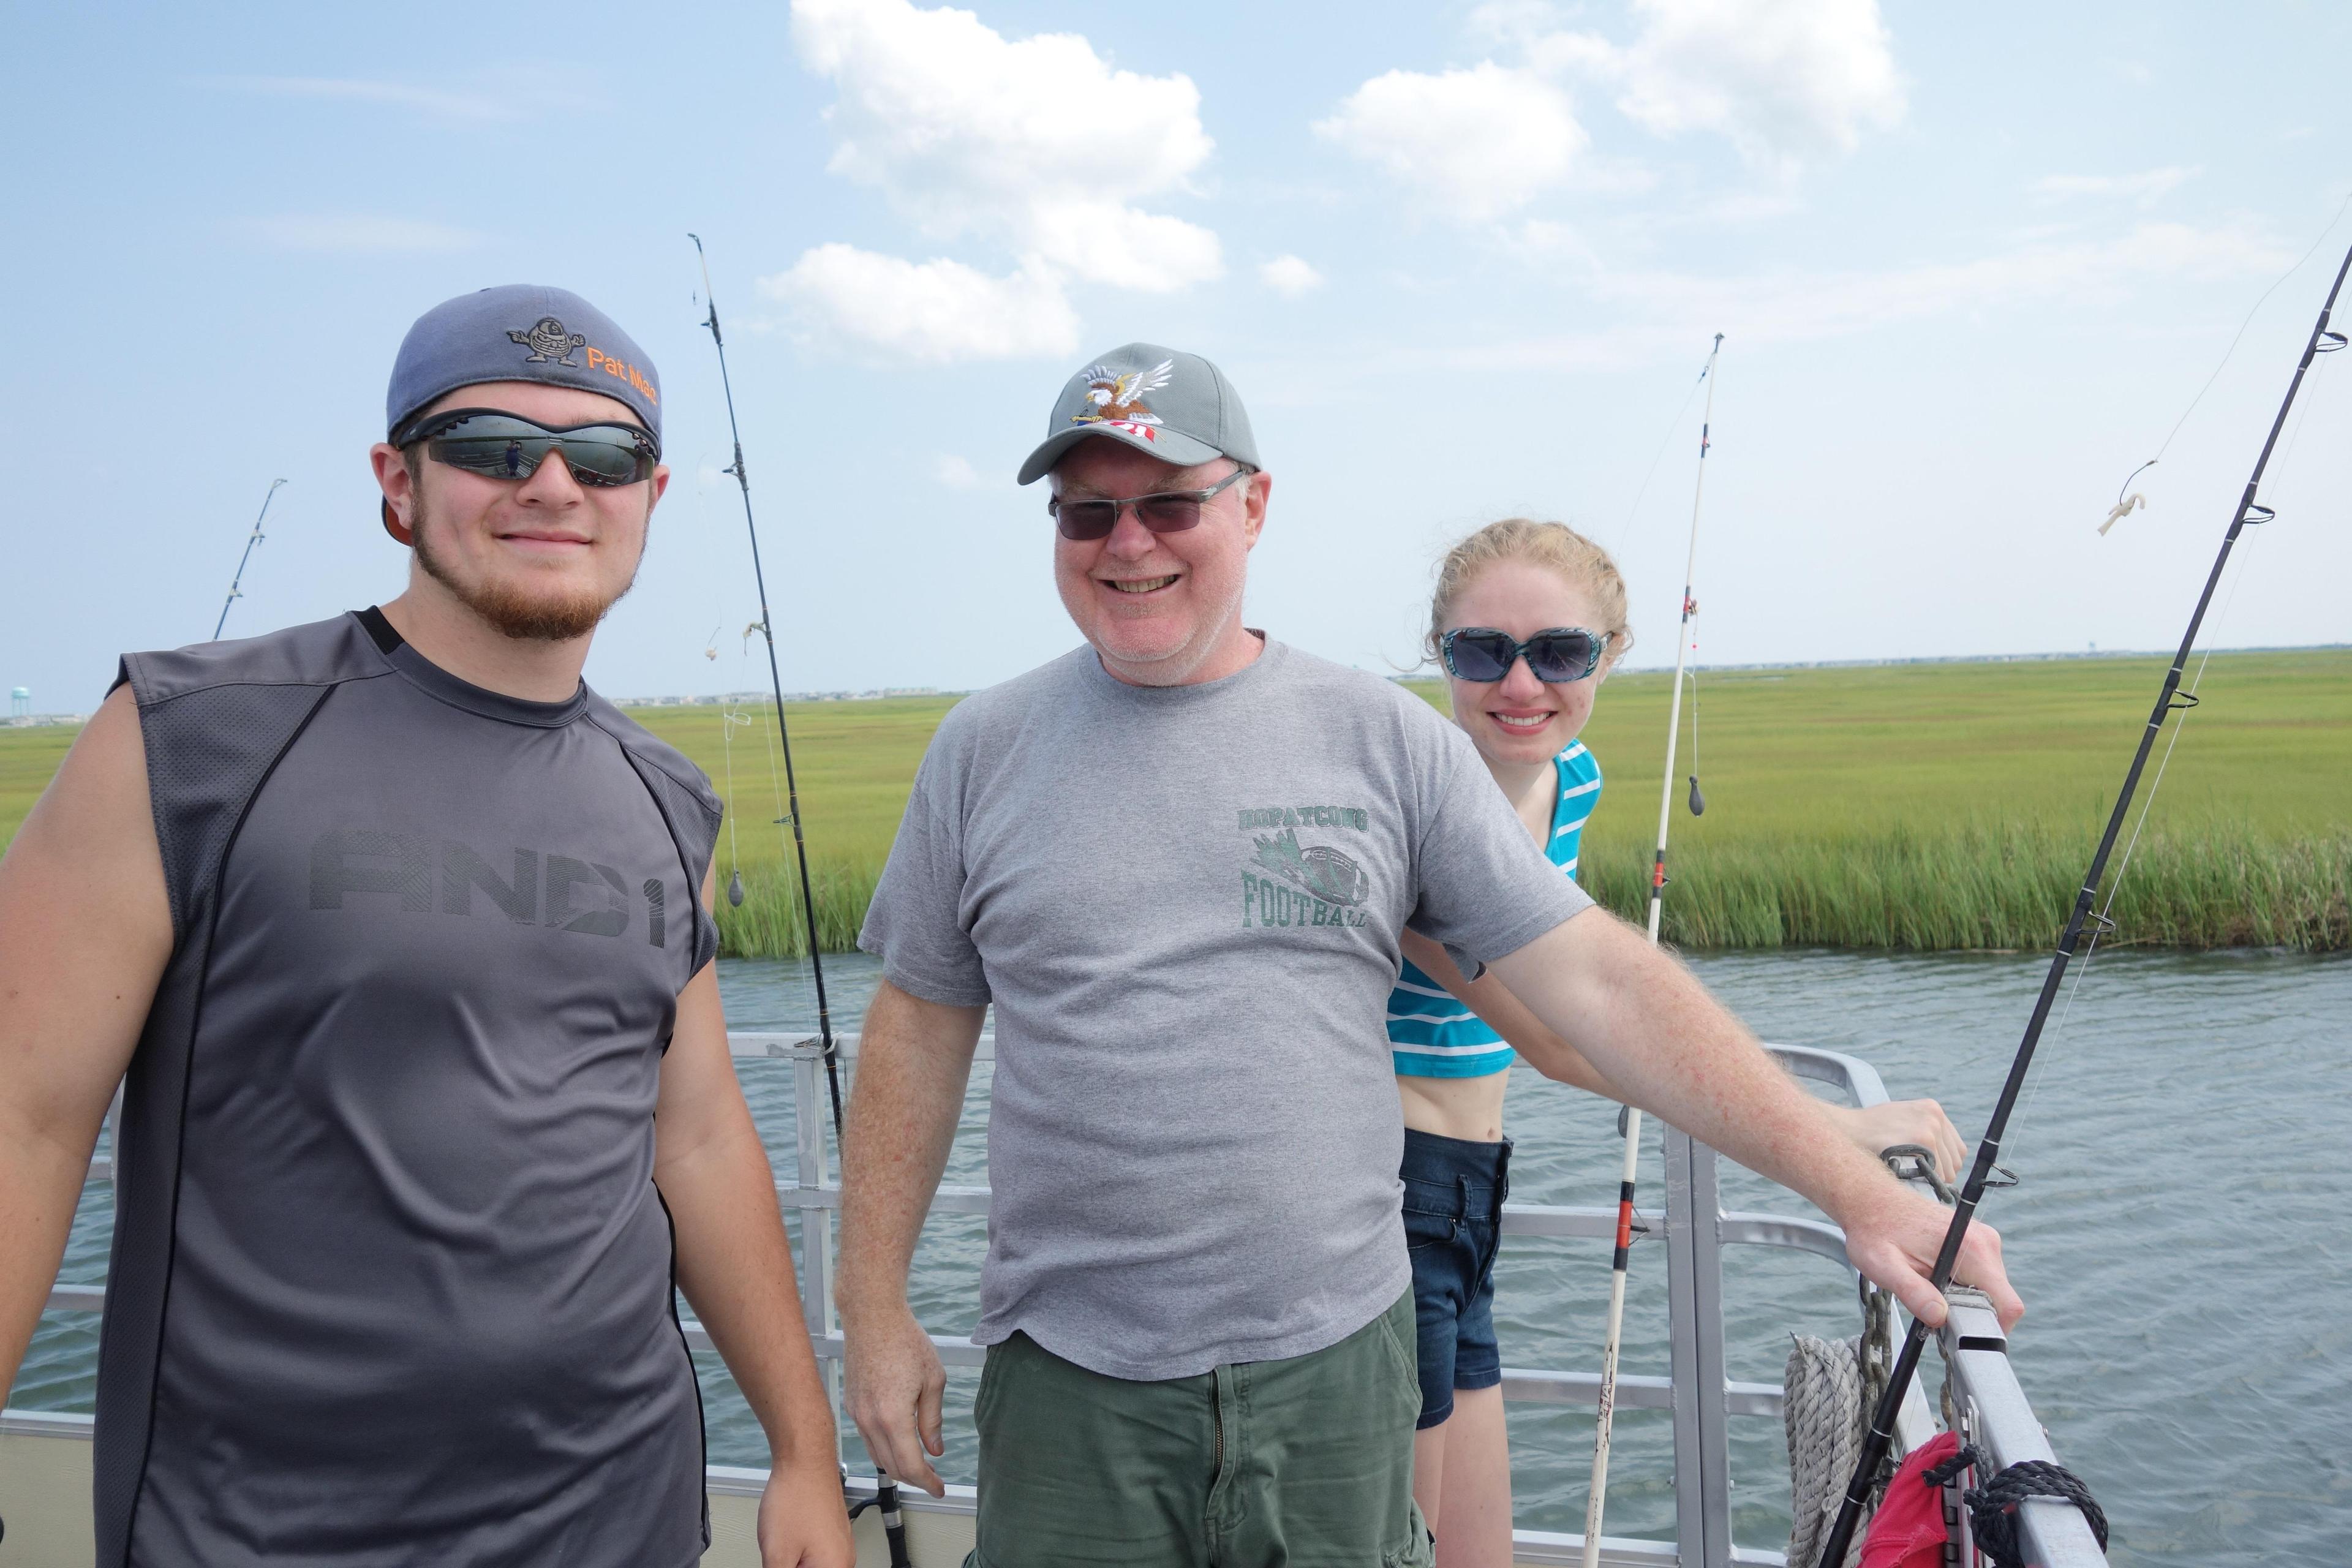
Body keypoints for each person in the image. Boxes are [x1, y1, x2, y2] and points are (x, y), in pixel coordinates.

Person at [837, 342, 2020, 1568]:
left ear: (1252, 503)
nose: (1128, 542)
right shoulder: (981, 751)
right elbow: (919, 1025)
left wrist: (1857, 1190)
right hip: (1068, 1386)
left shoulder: (1386, 742)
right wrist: (872, 1307)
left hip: (1338, 1370)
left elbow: (1595, 986)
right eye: (1088, 511)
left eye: (1169, 502)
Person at [0, 286, 853, 1568]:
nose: (554, 483)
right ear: (398, 482)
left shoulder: (668, 800)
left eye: (603, 455)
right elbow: (26, 1116)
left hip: (620, 1516)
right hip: (260, 1529)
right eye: (492, 444)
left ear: (652, 499)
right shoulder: (190, 736)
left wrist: (800, 1448)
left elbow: (703, 1134)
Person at [1388, 519, 1968, 1564]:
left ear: (1611, 653)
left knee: (1480, 1551)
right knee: (1401, 1544)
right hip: (1396, 1191)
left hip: (1475, 1185)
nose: (1520, 683)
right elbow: (1562, 1038)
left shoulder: (1577, 780)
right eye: (1482, 652)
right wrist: (1835, 1132)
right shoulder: (1414, 801)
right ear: (1441, 656)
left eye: (1560, 652)